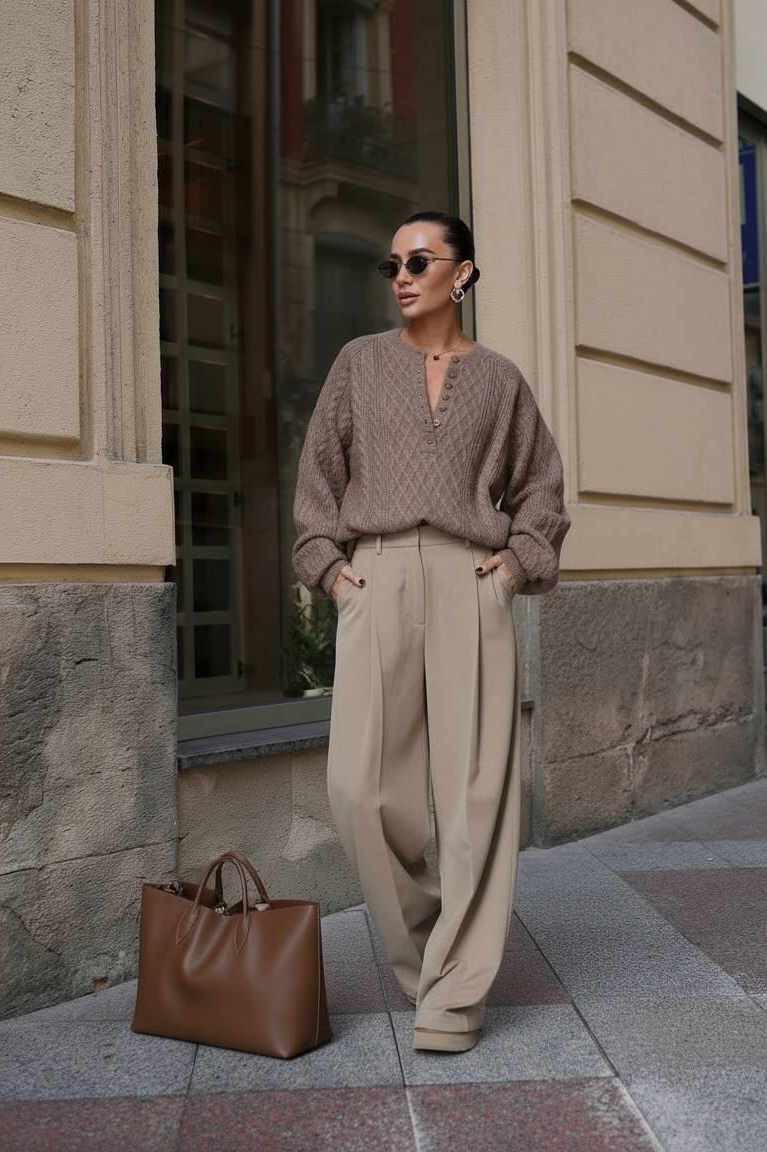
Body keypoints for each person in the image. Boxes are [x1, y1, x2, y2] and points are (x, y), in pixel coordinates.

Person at [291, 210, 571, 1053]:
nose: (402, 275)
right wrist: (332, 573)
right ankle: (429, 964)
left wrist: (517, 568)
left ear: (465, 273)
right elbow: (316, 483)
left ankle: (454, 999)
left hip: (469, 581)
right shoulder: (358, 365)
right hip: (374, 576)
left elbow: (543, 492)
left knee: (477, 793)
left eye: (420, 259)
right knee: (359, 790)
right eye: (393, 264)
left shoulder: (501, 381)